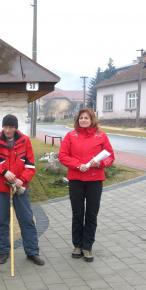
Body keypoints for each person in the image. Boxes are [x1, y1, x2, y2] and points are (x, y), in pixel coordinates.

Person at [0, 114, 45, 266]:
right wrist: (3, 171)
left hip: (20, 187)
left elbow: (30, 166)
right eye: (5, 127)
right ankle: (4, 251)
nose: (8, 130)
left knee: (27, 219)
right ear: (2, 127)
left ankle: (32, 252)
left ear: (15, 128)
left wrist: (21, 180)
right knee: (2, 221)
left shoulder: (25, 141)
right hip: (1, 188)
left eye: (11, 127)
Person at [58, 107, 114, 262]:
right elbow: (62, 156)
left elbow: (110, 157)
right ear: (78, 120)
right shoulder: (71, 135)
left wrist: (99, 163)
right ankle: (77, 245)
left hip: (95, 181)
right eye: (81, 118)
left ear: (92, 120)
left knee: (91, 214)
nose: (83, 120)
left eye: (86, 118)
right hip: (76, 179)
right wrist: (78, 165)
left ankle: (87, 247)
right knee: (77, 214)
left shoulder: (101, 136)